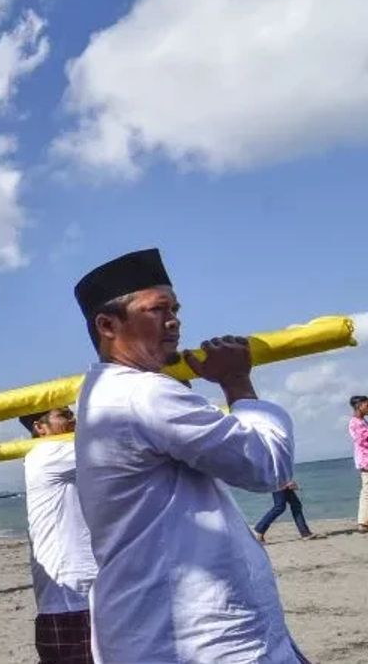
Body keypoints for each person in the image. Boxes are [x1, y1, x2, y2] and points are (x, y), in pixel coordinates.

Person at [72, 249, 306, 663]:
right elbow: (267, 466)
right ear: (108, 326)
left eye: (175, 308)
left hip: (160, 633)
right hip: (201, 640)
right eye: (157, 310)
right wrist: (236, 380)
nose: (174, 320)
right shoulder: (143, 394)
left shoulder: (105, 393)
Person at [19, 408, 96, 664]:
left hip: (81, 591)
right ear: (40, 428)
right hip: (69, 596)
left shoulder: (55, 453)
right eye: (63, 414)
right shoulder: (48, 453)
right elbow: (114, 444)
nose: (73, 417)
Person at [253, 481, 317, 542]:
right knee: (279, 507)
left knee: (295, 505)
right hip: (278, 482)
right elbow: (276, 471)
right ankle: (259, 530)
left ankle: (305, 533)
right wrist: (287, 481)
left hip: (281, 481)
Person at [348, 395, 368, 533]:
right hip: (365, 460)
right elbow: (363, 440)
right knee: (367, 491)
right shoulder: (356, 423)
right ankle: (363, 522)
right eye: (366, 405)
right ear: (359, 406)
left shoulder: (362, 421)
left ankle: (364, 521)